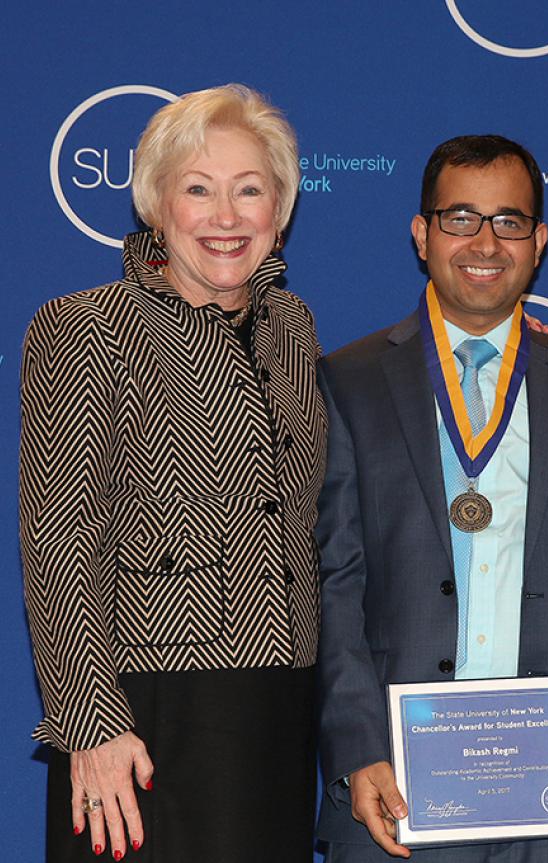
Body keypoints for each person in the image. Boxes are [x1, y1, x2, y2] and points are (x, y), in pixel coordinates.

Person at [314, 134, 548, 862]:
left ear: (538, 241)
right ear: (422, 234)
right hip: (398, 792)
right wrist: (356, 749)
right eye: (460, 218)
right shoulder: (346, 381)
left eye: (508, 221)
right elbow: (331, 586)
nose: (485, 241)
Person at [20, 84, 326, 862]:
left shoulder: (293, 328)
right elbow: (59, 544)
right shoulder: (86, 327)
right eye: (199, 189)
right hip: (146, 718)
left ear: (281, 209)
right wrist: (91, 726)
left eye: (249, 190)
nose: (226, 217)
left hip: (279, 706)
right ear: (157, 204)